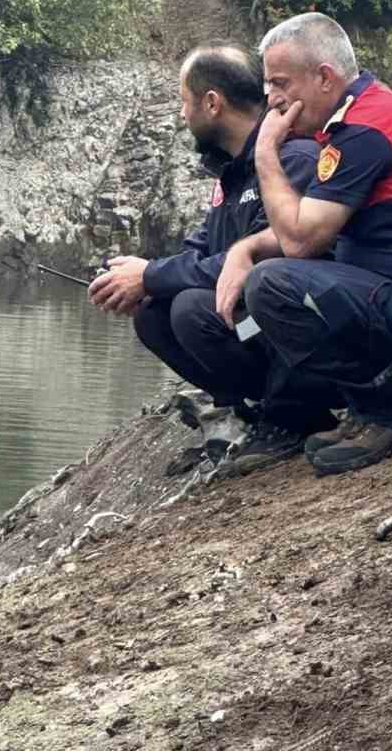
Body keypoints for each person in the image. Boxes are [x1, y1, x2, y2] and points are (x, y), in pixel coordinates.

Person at [220, 12, 392, 477]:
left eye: (280, 82)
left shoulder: (364, 131)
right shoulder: (359, 118)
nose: (271, 99)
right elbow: (307, 228)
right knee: (265, 276)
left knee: (273, 284)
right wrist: (242, 250)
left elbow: (300, 240)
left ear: (324, 78)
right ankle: (367, 408)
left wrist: (265, 152)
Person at [89, 45, 321, 473]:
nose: (181, 114)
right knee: (154, 312)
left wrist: (155, 276)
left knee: (192, 309)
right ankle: (244, 414)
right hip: (255, 323)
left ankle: (297, 415)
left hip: (298, 324)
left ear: (212, 102)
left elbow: (257, 261)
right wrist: (139, 276)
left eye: (183, 101)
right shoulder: (231, 171)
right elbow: (205, 249)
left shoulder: (290, 158)